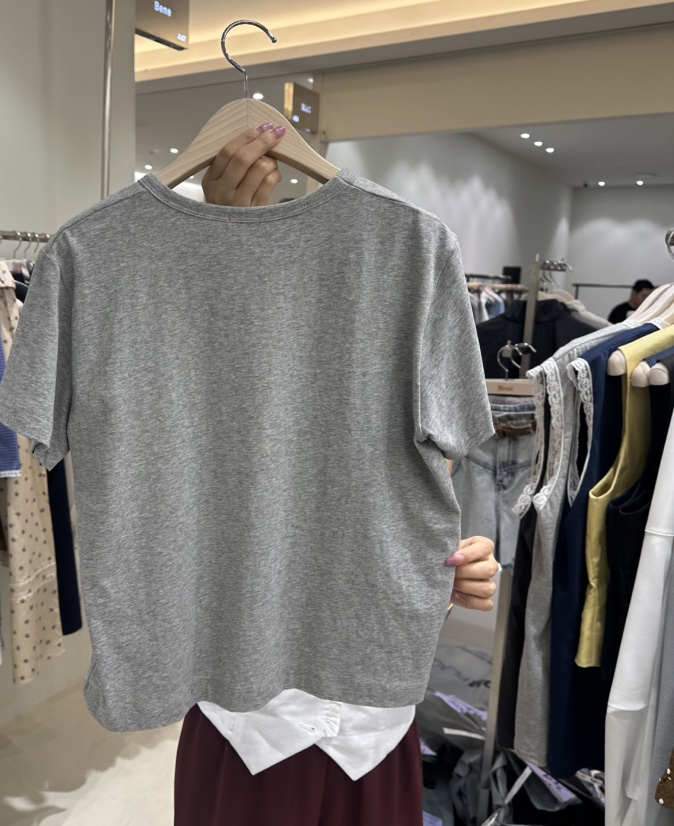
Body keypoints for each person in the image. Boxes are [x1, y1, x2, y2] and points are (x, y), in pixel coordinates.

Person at [173, 123, 502, 826]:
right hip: (248, 726)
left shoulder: (416, 280)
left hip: (375, 732)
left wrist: (438, 579)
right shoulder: (198, 353)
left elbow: (400, 508)